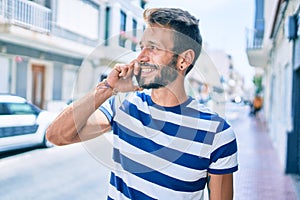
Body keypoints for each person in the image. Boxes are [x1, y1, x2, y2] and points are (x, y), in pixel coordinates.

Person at [46, 8, 238, 200]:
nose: (140, 57)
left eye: (153, 48)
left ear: (183, 60)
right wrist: (108, 88)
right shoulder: (122, 106)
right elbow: (57, 136)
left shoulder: (217, 134)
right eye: (142, 47)